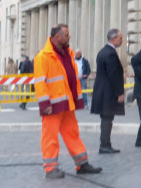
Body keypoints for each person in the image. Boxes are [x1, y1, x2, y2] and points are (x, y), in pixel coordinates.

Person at [33, 24, 101, 179]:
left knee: (72, 133)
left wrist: (76, 100)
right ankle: (50, 168)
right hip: (52, 106)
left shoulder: (68, 53)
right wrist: (45, 105)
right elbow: (40, 83)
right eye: (67, 35)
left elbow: (71, 78)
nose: (69, 37)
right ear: (58, 37)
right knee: (50, 136)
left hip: (67, 103)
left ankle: (82, 164)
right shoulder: (43, 57)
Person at [90, 28, 125, 154]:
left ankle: (105, 144)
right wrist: (119, 93)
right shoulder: (110, 53)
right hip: (108, 93)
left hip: (102, 91)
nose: (122, 40)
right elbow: (113, 75)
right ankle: (105, 145)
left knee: (106, 119)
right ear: (113, 38)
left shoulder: (102, 52)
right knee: (107, 120)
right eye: (120, 38)